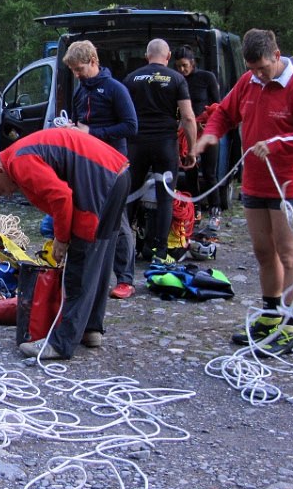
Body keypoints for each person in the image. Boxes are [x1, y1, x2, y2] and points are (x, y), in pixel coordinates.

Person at [193, 28, 293, 357]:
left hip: (289, 186)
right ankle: (271, 315)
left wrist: (277, 143)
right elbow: (225, 113)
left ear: (277, 55)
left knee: (289, 254)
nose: (257, 75)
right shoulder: (249, 82)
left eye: (262, 69)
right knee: (263, 252)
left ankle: (291, 326)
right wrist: (210, 135)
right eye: (251, 69)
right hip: (254, 183)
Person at [0, 128, 130, 360]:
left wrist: (62, 238)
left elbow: (61, 196)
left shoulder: (19, 162)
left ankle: (60, 344)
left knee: (80, 263)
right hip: (117, 174)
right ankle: (90, 328)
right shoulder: (19, 155)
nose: (5, 196)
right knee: (101, 256)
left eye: (1, 191)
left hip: (98, 179)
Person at [65, 40, 139, 300]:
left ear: (93, 61)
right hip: (86, 165)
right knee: (87, 215)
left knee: (118, 220)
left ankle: (126, 279)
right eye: (73, 70)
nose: (77, 74)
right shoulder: (80, 91)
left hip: (114, 164)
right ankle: (90, 273)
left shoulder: (115, 89)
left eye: (80, 68)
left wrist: (93, 132)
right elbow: (79, 124)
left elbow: (131, 126)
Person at [123, 39, 197, 264]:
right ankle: (160, 251)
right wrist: (192, 150)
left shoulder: (131, 78)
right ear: (167, 57)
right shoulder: (177, 79)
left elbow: (122, 113)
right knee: (166, 197)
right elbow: (187, 117)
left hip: (137, 144)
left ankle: (124, 249)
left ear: (147, 56)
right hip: (165, 144)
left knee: (130, 195)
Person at [173, 45, 221, 227]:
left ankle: (215, 209)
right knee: (190, 172)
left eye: (184, 65)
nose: (182, 70)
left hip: (206, 130)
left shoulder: (206, 78)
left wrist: (209, 121)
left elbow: (218, 104)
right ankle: (196, 209)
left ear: (192, 63)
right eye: (178, 66)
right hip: (186, 132)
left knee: (209, 173)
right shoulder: (177, 80)